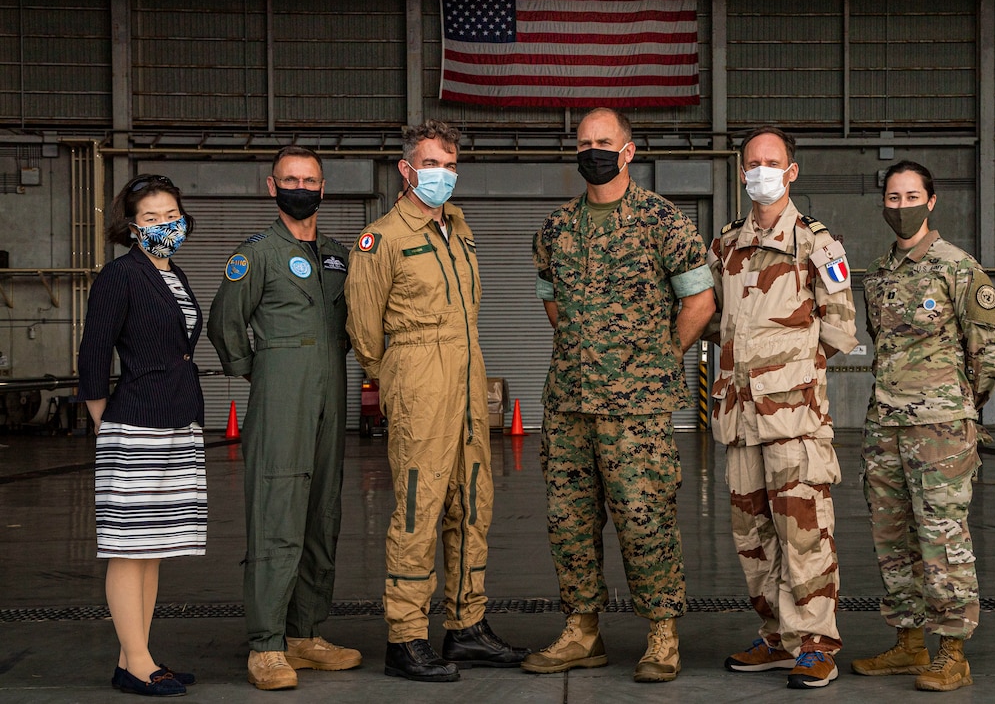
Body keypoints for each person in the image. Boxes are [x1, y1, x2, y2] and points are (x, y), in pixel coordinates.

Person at [523, 107, 716, 684]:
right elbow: (552, 300)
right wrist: (586, 353)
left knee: (644, 519)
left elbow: (700, 302)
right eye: (584, 143)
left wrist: (658, 358)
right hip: (568, 403)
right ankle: (582, 631)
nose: (593, 152)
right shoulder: (556, 228)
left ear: (628, 151)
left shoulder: (664, 221)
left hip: (637, 408)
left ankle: (662, 634)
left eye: (604, 143)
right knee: (570, 521)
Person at [344, 119, 527, 683]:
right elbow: (364, 331)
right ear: (406, 170)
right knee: (418, 508)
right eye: (431, 165)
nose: (442, 175)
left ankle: (466, 626)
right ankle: (406, 637)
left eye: (450, 166)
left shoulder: (459, 231)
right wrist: (400, 378)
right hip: (420, 378)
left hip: (468, 378)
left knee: (472, 503)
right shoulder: (382, 238)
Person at [706, 126, 858, 689]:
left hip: (794, 420)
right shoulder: (726, 245)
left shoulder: (818, 244)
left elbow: (839, 330)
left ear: (792, 172)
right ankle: (776, 637)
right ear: (741, 171)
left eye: (772, 163)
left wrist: (784, 370)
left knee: (804, 536)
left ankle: (815, 644)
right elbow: (713, 318)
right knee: (754, 539)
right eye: (753, 163)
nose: (761, 171)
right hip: (739, 418)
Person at [852, 160, 995, 692]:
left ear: (931, 201)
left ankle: (952, 653)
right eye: (893, 198)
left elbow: (989, 350)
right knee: (892, 538)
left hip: (940, 429)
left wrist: (959, 405)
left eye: (912, 197)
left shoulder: (957, 267)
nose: (902, 207)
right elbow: (881, 343)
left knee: (943, 538)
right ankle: (909, 643)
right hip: (885, 426)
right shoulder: (878, 273)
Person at [208, 146, 360, 690]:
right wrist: (262, 370)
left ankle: (304, 635)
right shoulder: (257, 255)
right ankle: (266, 645)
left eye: (310, 179)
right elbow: (225, 322)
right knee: (276, 515)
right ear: (272, 187)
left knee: (322, 514)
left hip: (330, 396)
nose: (301, 188)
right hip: (280, 398)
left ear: (324, 188)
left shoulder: (339, 256)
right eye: (290, 179)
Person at [78, 174, 206, 697]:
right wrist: (105, 422)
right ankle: (136, 664)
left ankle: (135, 656)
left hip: (176, 420)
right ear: (131, 227)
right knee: (129, 551)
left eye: (171, 215)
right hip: (135, 425)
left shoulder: (173, 273)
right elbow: (93, 354)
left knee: (151, 550)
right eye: (151, 218)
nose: (164, 225)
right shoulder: (121, 274)